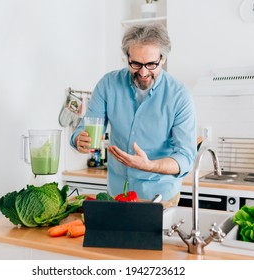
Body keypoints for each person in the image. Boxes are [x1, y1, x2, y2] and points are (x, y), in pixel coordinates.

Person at [70, 23, 197, 207]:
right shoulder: (108, 84)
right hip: (117, 194)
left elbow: (185, 158)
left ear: (162, 59)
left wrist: (150, 166)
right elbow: (87, 126)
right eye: (136, 64)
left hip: (159, 197)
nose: (143, 72)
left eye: (151, 64)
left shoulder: (179, 96)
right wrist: (78, 139)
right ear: (127, 57)